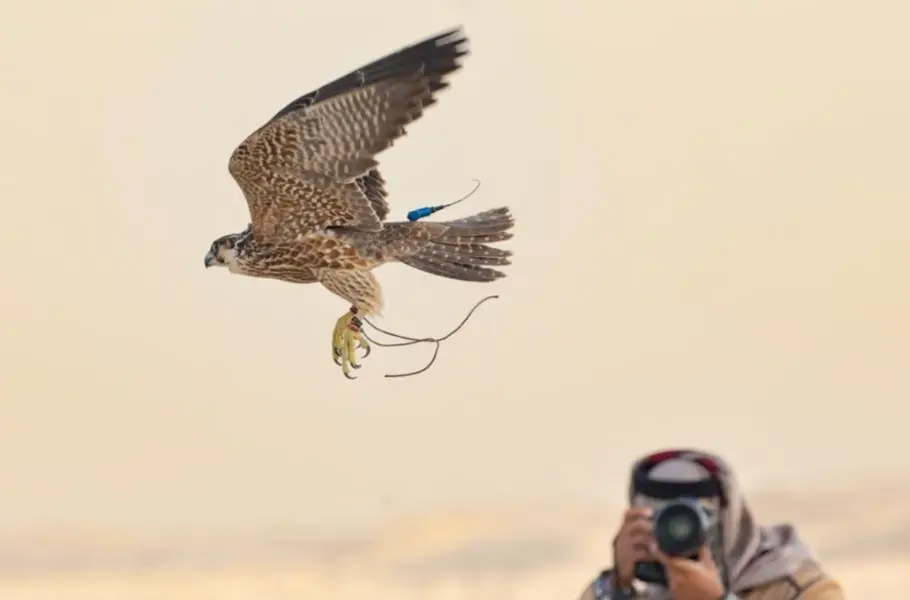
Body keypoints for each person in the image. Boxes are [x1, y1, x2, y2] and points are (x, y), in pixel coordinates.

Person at [577, 449, 844, 600]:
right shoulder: (643, 594)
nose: (676, 534)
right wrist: (614, 586)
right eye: (659, 519)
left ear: (730, 518)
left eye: (694, 517)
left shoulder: (798, 588)